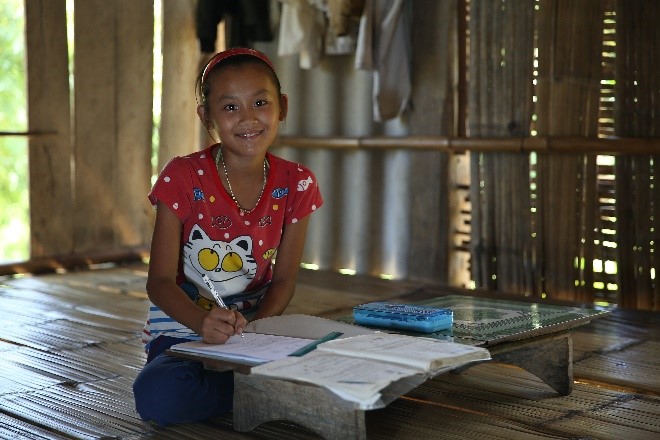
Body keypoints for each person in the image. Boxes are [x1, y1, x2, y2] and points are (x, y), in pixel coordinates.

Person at [132, 47, 323, 426]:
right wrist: (202, 325)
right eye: (230, 107)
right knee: (157, 396)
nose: (248, 118)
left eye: (260, 102)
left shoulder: (297, 183)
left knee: (332, 358)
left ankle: (256, 384)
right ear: (206, 116)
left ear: (281, 107)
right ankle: (258, 391)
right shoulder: (183, 177)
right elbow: (159, 282)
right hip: (184, 328)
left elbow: (284, 280)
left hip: (257, 328)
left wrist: (253, 336)